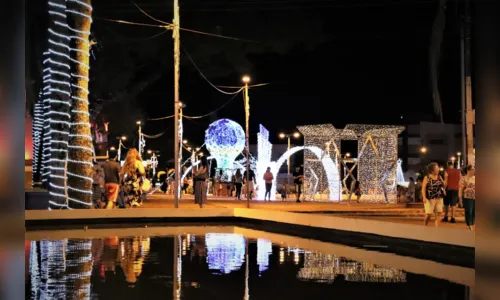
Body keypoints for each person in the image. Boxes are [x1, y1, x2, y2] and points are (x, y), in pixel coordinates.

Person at [422, 162, 445, 226]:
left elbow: (443, 186)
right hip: (429, 198)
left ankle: (436, 227)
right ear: (432, 170)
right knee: (429, 214)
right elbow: (423, 188)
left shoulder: (439, 177)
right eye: (437, 168)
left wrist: (443, 181)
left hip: (439, 197)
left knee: (439, 212)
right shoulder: (427, 177)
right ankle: (425, 225)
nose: (438, 169)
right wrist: (424, 197)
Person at [458, 165, 475, 230]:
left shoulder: (475, 178)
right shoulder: (463, 178)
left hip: (475, 197)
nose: (474, 171)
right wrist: (460, 199)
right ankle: (469, 224)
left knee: (474, 211)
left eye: (474, 169)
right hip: (467, 197)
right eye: (472, 169)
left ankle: (472, 223)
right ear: (468, 170)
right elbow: (460, 189)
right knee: (469, 211)